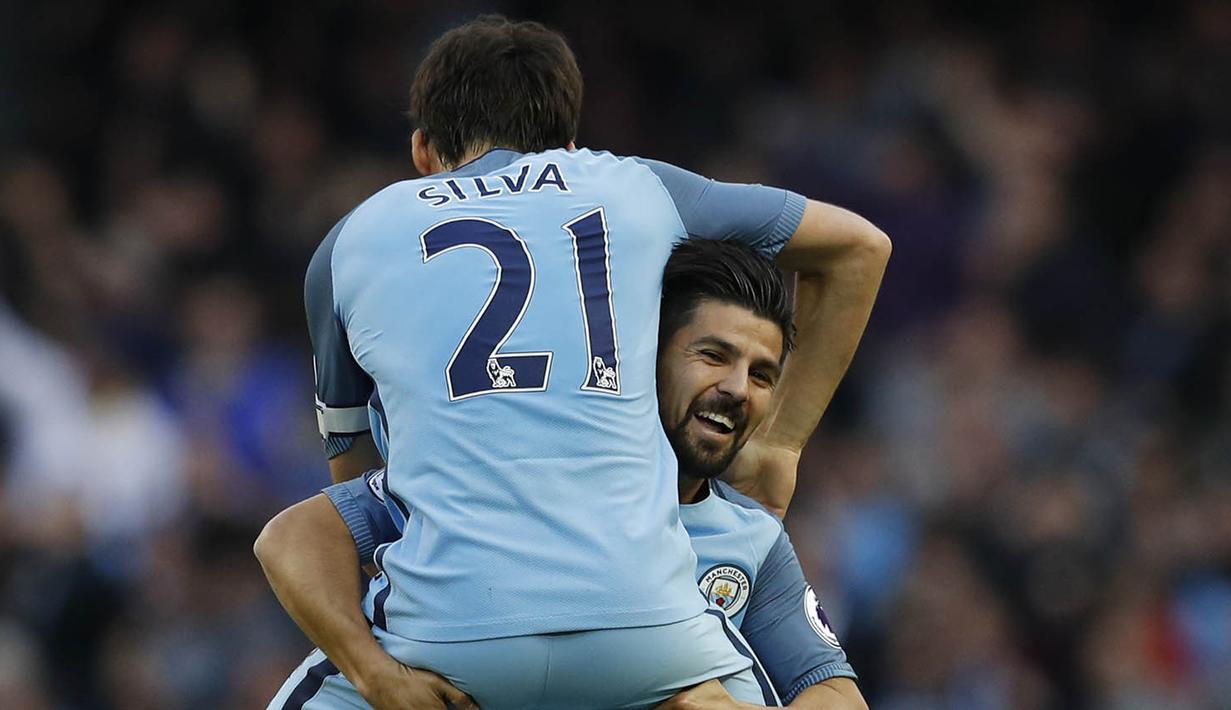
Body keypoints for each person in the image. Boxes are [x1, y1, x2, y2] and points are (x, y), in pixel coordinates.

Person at [301, 14, 889, 707]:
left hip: (450, 636)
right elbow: (859, 248)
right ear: (572, 144)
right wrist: (781, 445)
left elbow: (360, 494)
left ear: (423, 151)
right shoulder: (636, 187)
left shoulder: (351, 240)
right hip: (648, 632)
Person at [261, 241, 868, 709]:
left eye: (761, 375)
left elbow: (837, 694)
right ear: (641, 357)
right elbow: (294, 537)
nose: (737, 389)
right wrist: (376, 674)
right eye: (713, 355)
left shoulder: (750, 539)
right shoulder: (514, 471)